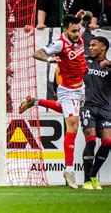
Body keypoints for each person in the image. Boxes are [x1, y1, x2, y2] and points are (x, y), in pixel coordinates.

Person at [19, 36, 111, 190]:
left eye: (94, 45)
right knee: (91, 140)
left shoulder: (108, 66)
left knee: (108, 142)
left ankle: (94, 175)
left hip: (105, 108)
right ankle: (87, 180)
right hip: (86, 105)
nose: (90, 47)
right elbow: (67, 57)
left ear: (103, 47)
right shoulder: (83, 60)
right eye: (89, 45)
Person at [30, 15, 87, 189]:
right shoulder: (60, 43)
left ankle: (36, 101)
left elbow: (87, 19)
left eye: (78, 30)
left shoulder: (78, 32)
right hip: (68, 90)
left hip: (81, 87)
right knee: (73, 125)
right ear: (65, 30)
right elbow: (37, 53)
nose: (78, 34)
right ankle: (69, 170)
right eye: (74, 31)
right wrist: (49, 59)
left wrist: (84, 15)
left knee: (67, 112)